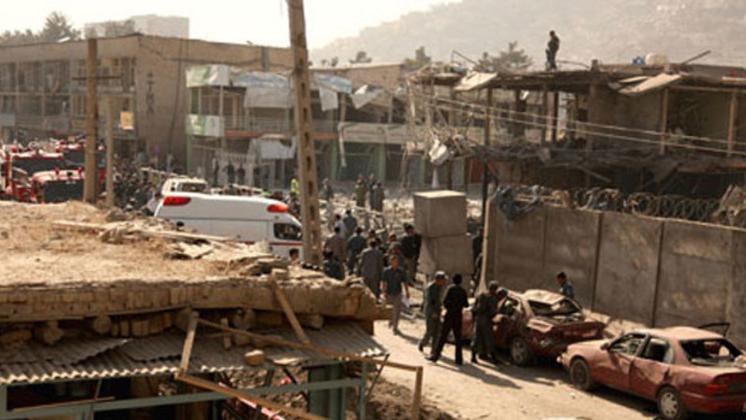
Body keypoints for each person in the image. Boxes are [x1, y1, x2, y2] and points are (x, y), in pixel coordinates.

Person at [429, 274, 469, 365]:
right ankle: (459, 359)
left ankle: (435, 356)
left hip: (449, 315)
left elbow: (445, 302)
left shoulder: (450, 289)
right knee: (458, 338)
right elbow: (466, 304)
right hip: (458, 316)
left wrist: (449, 307)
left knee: (443, 336)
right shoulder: (463, 291)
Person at [471, 282, 506, 364]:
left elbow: (474, 308)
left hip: (478, 319)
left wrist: (474, 318)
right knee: (489, 339)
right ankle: (493, 358)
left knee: (477, 338)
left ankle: (474, 356)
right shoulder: (492, 298)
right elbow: (492, 311)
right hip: (486, 320)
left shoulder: (481, 295)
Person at [419, 271, 447, 353]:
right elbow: (431, 301)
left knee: (437, 331)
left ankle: (434, 350)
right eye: (443, 280)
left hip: (438, 310)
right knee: (430, 330)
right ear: (438, 280)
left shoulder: (440, 287)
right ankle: (423, 343)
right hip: (431, 311)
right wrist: (433, 312)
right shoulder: (431, 287)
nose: (444, 282)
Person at [382, 255, 410, 334]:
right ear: (390, 262)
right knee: (390, 310)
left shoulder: (401, 271)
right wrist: (384, 292)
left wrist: (407, 291)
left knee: (397, 311)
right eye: (393, 262)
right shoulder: (386, 271)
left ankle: (395, 327)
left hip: (398, 293)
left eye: (396, 262)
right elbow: (384, 282)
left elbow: (404, 282)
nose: (395, 263)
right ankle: (391, 321)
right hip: (389, 293)